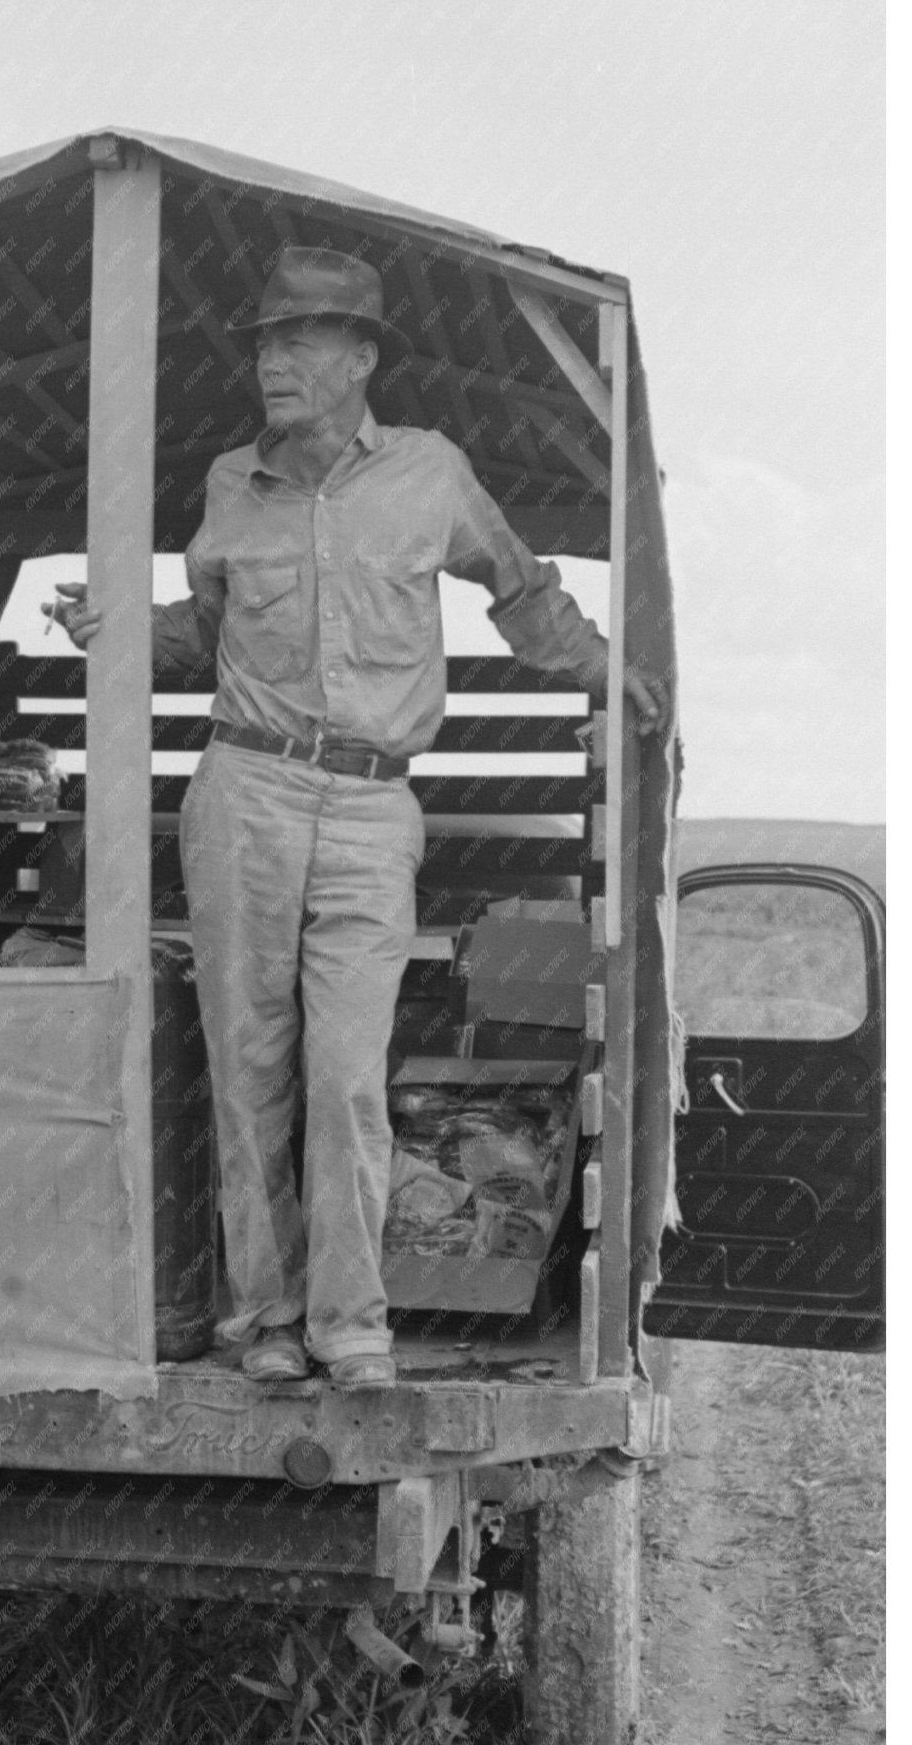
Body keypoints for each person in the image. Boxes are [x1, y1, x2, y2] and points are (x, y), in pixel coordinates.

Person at [50, 248, 665, 1391]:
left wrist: (605, 667)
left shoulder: (431, 472)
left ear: (362, 356)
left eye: (298, 340)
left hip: (375, 805)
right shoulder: (233, 483)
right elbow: (204, 635)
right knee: (249, 1067)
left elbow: (522, 590)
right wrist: (117, 624)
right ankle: (267, 1318)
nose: (271, 362)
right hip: (245, 792)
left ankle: (351, 1322)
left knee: (345, 1074)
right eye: (264, 344)